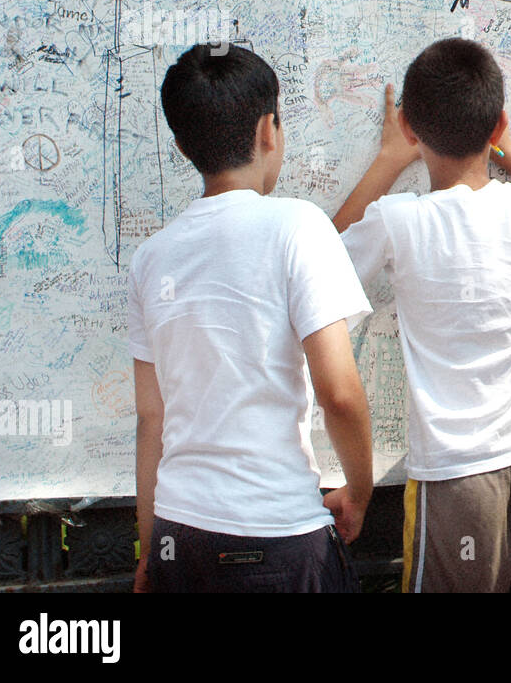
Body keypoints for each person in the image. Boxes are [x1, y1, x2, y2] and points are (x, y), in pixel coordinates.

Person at [334, 37, 511, 593]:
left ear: (410, 128)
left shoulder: (400, 221)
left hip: (455, 482)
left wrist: (389, 159)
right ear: (498, 126)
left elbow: (321, 261)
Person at [131, 43, 373, 593]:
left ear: (182, 146)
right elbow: (339, 392)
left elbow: (152, 420)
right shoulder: (297, 226)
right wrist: (359, 492)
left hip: (181, 535)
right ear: (269, 130)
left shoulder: (151, 260)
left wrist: (151, 551)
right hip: (279, 535)